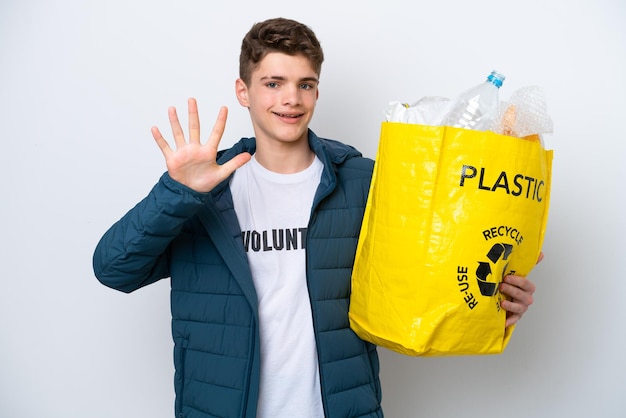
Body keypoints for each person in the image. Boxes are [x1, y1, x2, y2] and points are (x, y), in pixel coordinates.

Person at [93, 17, 538, 418]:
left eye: (305, 84)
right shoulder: (204, 189)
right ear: (242, 91)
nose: (291, 99)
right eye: (273, 83)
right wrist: (179, 193)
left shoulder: (363, 181)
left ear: (317, 91)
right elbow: (113, 269)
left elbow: (430, 272)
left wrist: (492, 295)